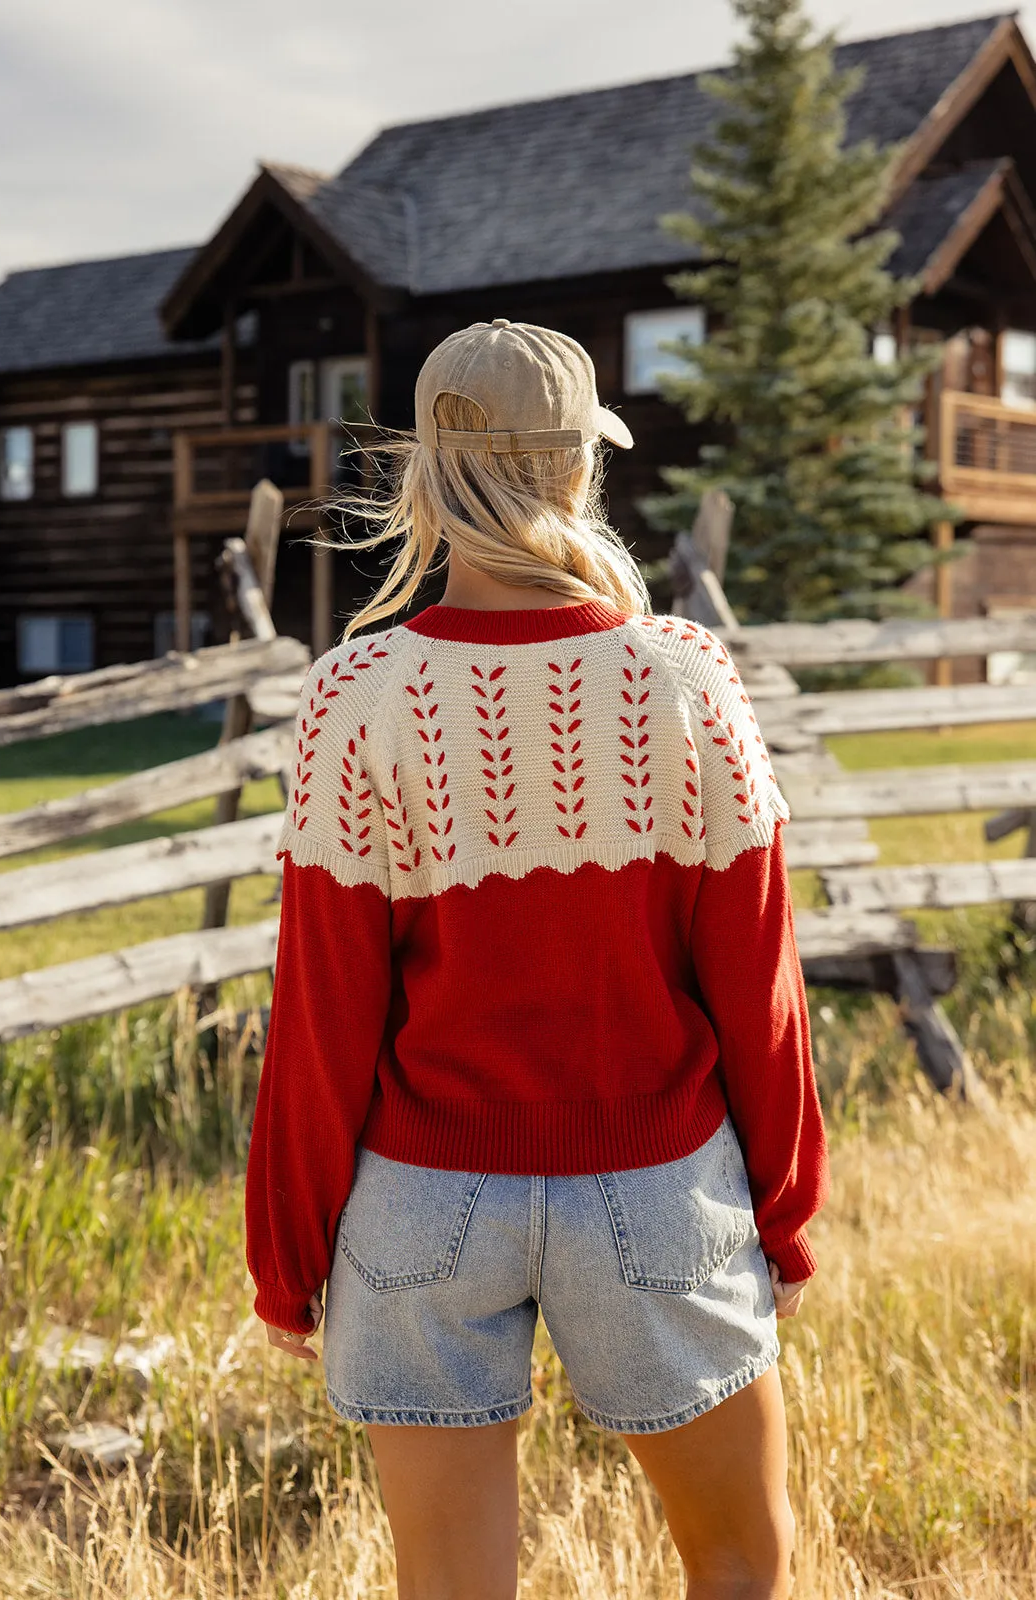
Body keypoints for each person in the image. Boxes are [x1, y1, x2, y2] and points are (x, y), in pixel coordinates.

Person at [244, 319, 830, 1600]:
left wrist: (286, 1257)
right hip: (655, 1184)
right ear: (575, 472)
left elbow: (322, 1012)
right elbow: (758, 985)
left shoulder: (355, 694)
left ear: (426, 474)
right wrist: (782, 1208)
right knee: (739, 1562)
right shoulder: (681, 679)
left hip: (417, 1201)